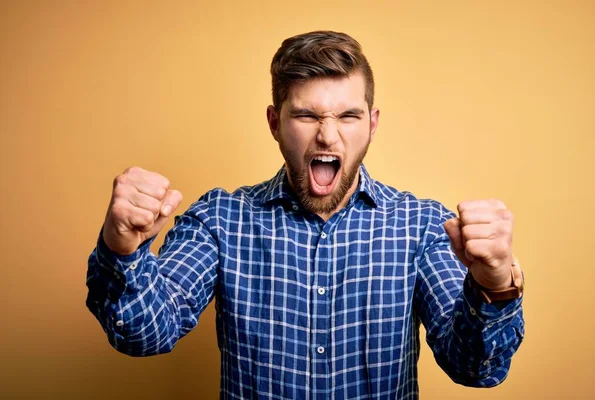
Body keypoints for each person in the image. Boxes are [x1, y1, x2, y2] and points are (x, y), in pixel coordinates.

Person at [86, 30, 524, 399]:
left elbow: (475, 369)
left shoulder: (423, 226)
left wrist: (493, 284)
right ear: (275, 123)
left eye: (348, 116)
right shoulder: (220, 219)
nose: (327, 136)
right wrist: (121, 247)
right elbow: (144, 334)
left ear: (371, 124)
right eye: (306, 115)